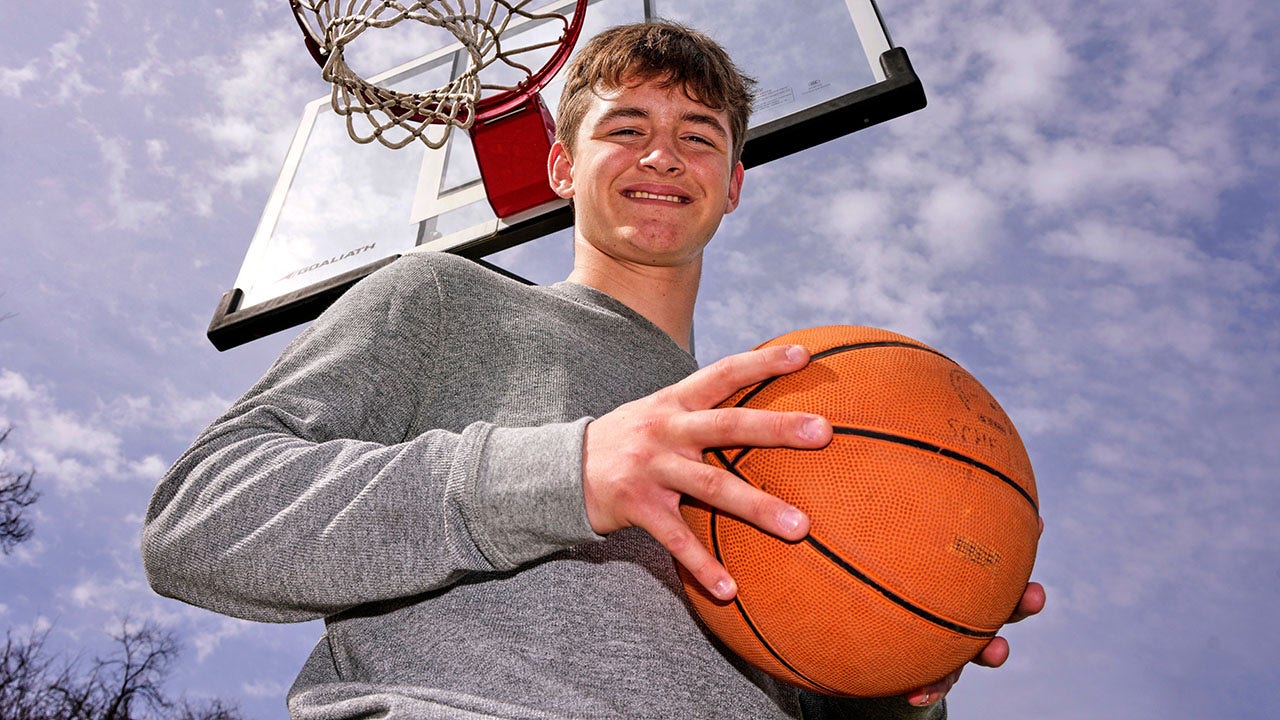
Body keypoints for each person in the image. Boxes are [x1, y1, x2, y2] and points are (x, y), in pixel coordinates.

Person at [143, 21, 1043, 720]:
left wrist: (903, 668)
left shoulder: (790, 413)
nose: (664, 154)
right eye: (627, 128)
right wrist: (566, 472)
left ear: (733, 182)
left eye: (700, 134)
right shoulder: (442, 300)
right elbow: (198, 521)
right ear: (561, 166)